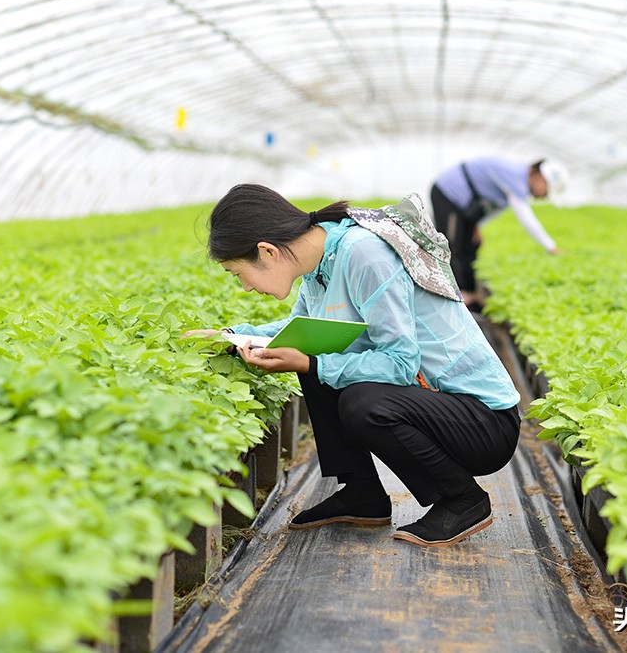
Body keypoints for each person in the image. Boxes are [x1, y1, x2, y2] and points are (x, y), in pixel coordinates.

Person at [198, 183, 521, 547]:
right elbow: (298, 332)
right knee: (310, 352)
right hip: (437, 406)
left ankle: (463, 500)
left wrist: (311, 363)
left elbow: (400, 363)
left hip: (482, 422)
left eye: (238, 273)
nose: (245, 287)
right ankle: (362, 493)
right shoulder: (321, 265)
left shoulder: (363, 254)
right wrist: (230, 335)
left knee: (354, 397)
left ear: (267, 251)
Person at [430, 156, 567, 311]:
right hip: (448, 194)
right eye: (547, 191)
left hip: (465, 206)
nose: (545, 196)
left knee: (471, 245)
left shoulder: (517, 180)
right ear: (540, 178)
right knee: (453, 246)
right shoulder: (515, 177)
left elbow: (495, 207)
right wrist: (551, 247)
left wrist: (477, 225)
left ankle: (469, 294)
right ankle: (454, 297)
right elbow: (526, 218)